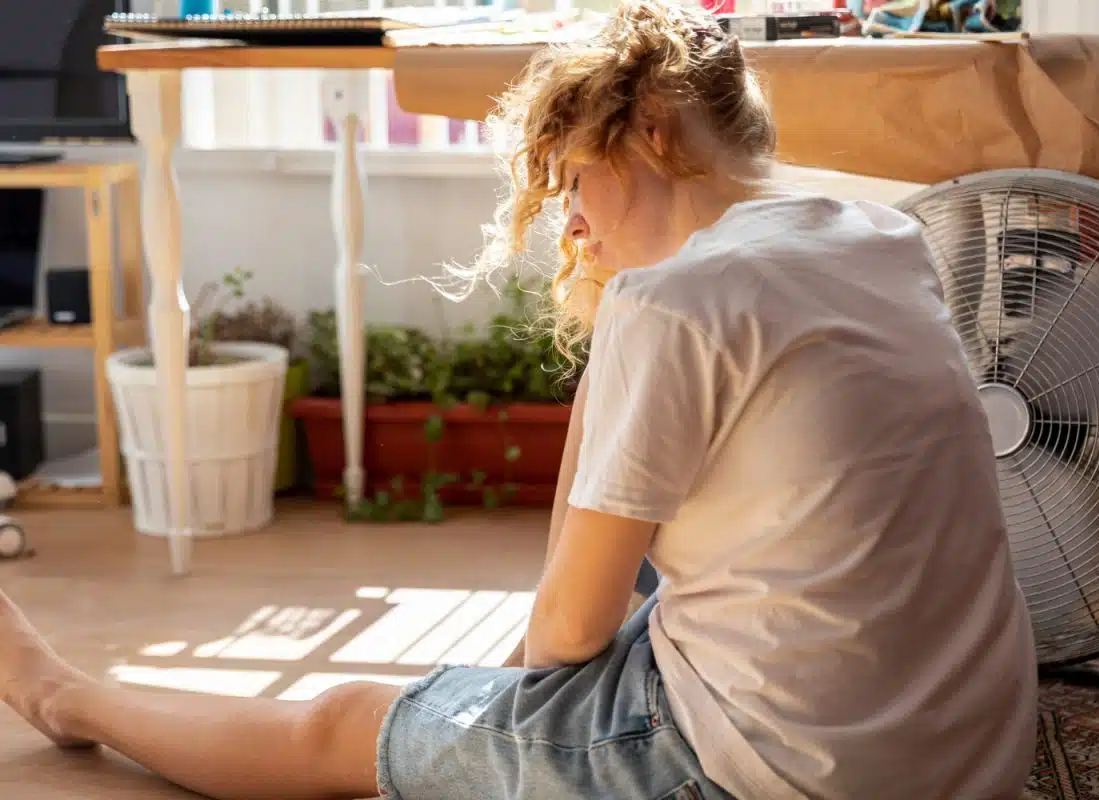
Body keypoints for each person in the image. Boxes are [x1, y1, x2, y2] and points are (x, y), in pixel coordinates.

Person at [0, 1, 1039, 798]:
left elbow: (566, 634)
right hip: (973, 752)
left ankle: (64, 691)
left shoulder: (674, 300)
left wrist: (614, 332)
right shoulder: (887, 236)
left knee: (339, 722)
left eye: (572, 181)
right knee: (608, 615)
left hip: (780, 772)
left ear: (654, 139)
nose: (572, 228)